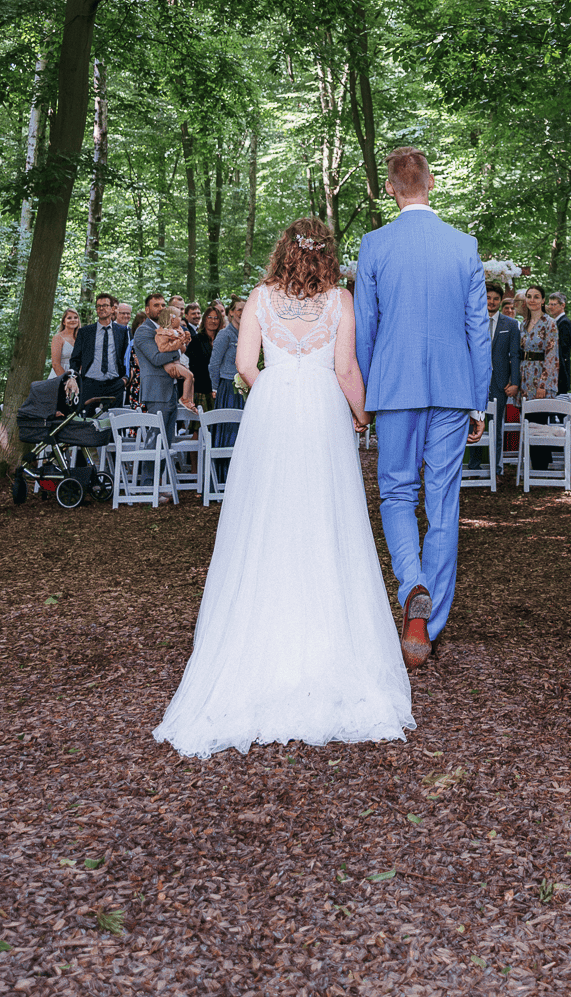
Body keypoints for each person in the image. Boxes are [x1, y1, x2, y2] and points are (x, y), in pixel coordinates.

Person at [154, 218, 413, 757]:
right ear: (327, 255)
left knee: (265, 519)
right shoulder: (341, 300)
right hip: (321, 409)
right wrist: (363, 417)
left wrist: (276, 383)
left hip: (271, 409)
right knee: (325, 517)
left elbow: (245, 366)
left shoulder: (260, 297)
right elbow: (345, 370)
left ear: (283, 251)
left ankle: (258, 644)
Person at [353, 147, 490, 668]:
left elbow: (366, 326)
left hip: (393, 387)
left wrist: (363, 395)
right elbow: (479, 327)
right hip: (454, 389)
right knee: (443, 500)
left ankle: (411, 585)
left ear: (391, 188)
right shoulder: (464, 246)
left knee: (396, 492)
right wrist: (478, 399)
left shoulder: (374, 245)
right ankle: (426, 628)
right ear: (431, 183)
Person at [470, 280, 521, 469]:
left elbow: (515, 355)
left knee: (497, 426)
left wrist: (514, 382)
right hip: (474, 383)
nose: (491, 302)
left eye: (495, 299)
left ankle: (495, 468)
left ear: (500, 301)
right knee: (473, 423)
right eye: (488, 298)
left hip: (499, 383)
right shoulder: (472, 320)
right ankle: (474, 466)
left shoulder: (511, 324)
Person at [132, 294, 185, 445]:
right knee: (155, 442)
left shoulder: (168, 328)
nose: (161, 308)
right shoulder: (144, 331)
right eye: (156, 305)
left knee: (168, 441)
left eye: (163, 305)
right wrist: (179, 350)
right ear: (147, 310)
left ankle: (164, 470)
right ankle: (149, 470)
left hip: (171, 388)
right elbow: (156, 358)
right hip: (156, 392)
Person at [517, 283, 559, 471]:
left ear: (543, 300)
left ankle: (542, 466)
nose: (532, 300)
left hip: (541, 376)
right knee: (527, 421)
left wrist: (543, 384)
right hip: (525, 376)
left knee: (540, 422)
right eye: (529, 296)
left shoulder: (549, 323)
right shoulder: (523, 324)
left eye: (536, 296)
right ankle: (532, 464)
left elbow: (551, 356)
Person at [69, 292, 129, 404]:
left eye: (105, 305)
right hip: (90, 385)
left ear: (112, 309)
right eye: (98, 306)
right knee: (87, 419)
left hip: (115, 384)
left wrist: (125, 379)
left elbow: (127, 357)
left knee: (113, 419)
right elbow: (75, 359)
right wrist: (73, 378)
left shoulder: (122, 331)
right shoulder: (85, 332)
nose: (101, 308)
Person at [210, 296, 247, 446]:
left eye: (246, 310)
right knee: (230, 429)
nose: (242, 313)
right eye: (239, 309)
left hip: (245, 388)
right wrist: (216, 387)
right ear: (231, 312)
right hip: (228, 388)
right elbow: (213, 364)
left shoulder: (247, 335)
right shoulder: (225, 334)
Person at [548, 292, 571, 396]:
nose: (550, 307)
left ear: (563, 305)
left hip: (560, 376)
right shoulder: (554, 322)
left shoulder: (564, 323)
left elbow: (561, 351)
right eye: (549, 304)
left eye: (554, 305)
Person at [50, 308, 80, 382]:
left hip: (77, 377)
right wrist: (67, 380)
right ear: (64, 322)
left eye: (75, 318)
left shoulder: (80, 339)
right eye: (69, 318)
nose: (73, 320)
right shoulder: (58, 338)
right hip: (59, 376)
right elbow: (55, 364)